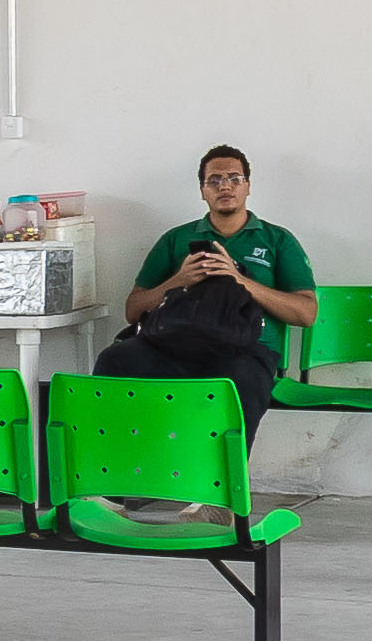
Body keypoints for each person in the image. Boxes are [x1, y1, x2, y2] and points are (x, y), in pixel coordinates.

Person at [103, 142, 309, 431]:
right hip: (175, 345)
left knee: (234, 383)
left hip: (247, 351)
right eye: (214, 180)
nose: (224, 186)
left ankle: (224, 462)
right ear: (202, 191)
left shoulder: (277, 240)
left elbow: (306, 313)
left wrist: (239, 280)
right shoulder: (176, 239)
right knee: (114, 360)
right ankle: (122, 456)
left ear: (247, 186)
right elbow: (133, 310)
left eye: (234, 178)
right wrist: (179, 280)